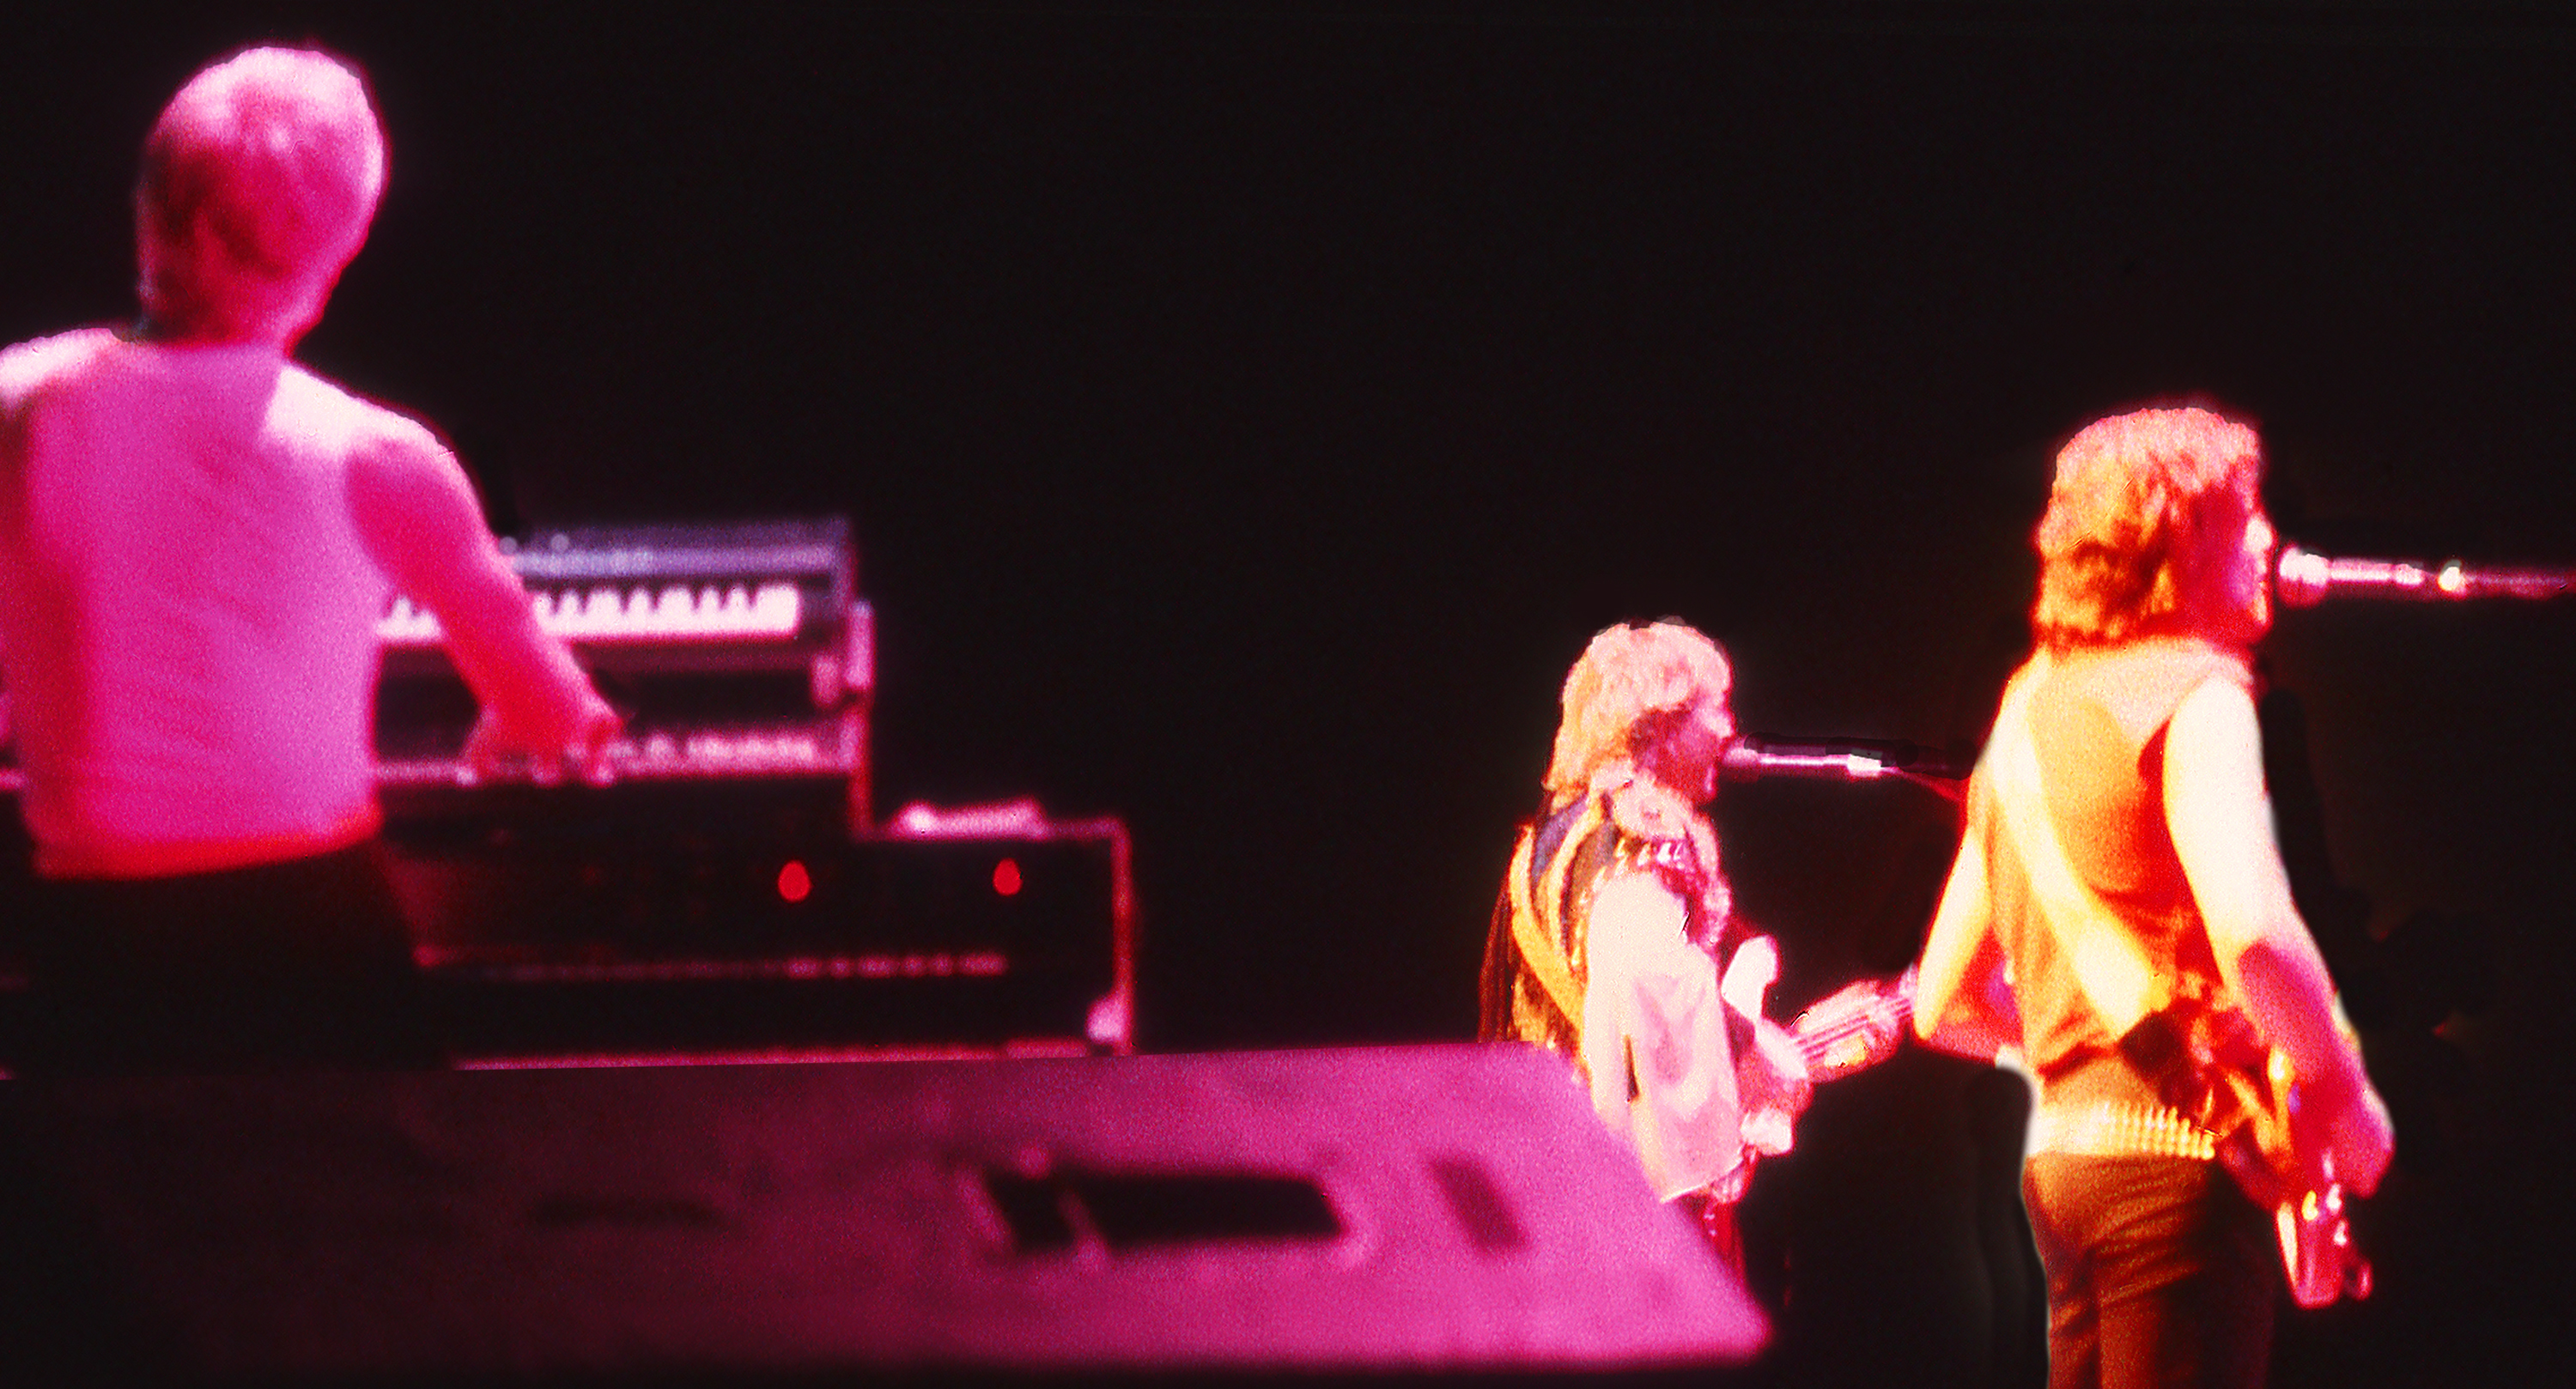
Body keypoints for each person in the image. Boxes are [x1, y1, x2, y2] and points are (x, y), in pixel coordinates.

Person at [0, 46, 618, 1072]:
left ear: (150, 213)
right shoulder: (382, 456)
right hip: (313, 938)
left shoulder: (13, 410)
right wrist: (516, 720)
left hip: (92, 945)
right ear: (338, 252)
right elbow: (556, 711)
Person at [1911, 406, 2395, 1388]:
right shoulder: (2200, 691)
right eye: (2246, 511)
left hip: (2063, 1174)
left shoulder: (2025, 715)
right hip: (2173, 1182)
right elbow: (2255, 933)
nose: (2270, 538)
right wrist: (2346, 1098)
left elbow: (1942, 1000)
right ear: (2178, 531)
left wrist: (2088, 1057)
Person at [1479, 620, 1808, 1264]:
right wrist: (1748, 1046)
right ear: (1657, 725)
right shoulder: (1644, 830)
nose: (1728, 730)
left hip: (1536, 1200)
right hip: (1627, 1229)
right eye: (1717, 707)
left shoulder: (1547, 845)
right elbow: (1648, 991)